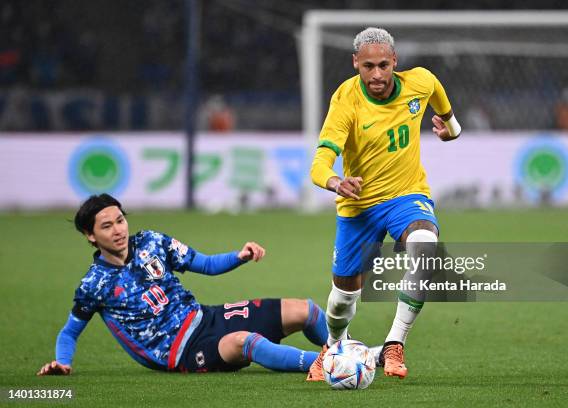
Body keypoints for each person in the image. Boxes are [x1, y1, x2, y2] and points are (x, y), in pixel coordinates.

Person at [307, 27, 461, 381]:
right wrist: (335, 181)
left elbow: (438, 94)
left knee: (427, 249)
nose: (376, 75)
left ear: (395, 62)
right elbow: (319, 162)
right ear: (355, 64)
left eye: (382, 66)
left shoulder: (419, 82)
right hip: (357, 207)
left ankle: (395, 343)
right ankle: (332, 345)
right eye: (367, 67)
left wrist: (451, 127)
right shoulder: (345, 100)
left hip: (406, 196)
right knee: (343, 298)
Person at [37, 194, 329, 375]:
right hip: (181, 351)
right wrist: (62, 362)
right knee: (246, 342)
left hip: (205, 317)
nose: (118, 230)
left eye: (120, 220)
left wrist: (239, 256)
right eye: (107, 226)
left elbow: (205, 264)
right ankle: (330, 365)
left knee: (307, 311)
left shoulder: (152, 241)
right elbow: (70, 332)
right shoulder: (94, 284)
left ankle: (347, 350)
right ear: (90, 235)